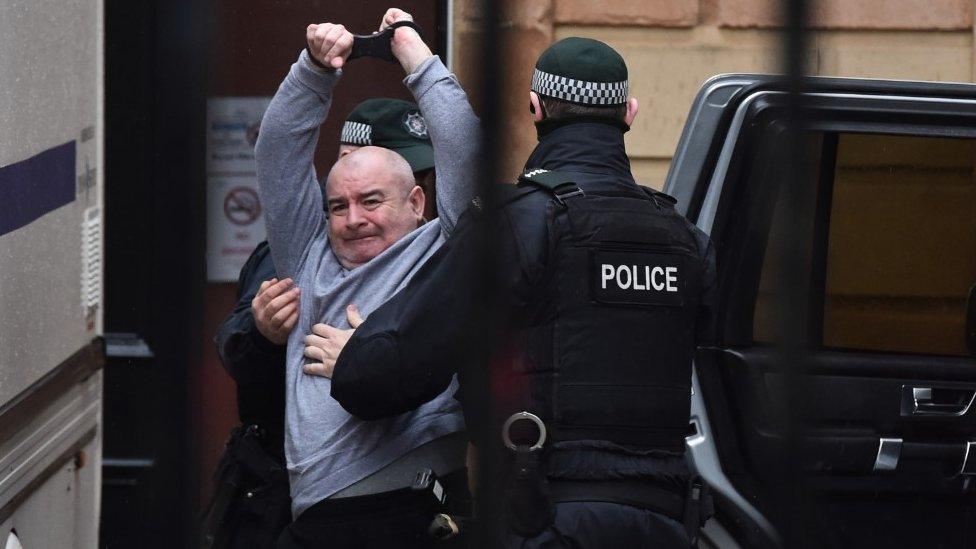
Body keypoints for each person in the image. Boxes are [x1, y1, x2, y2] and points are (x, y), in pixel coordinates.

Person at [330, 37, 717, 547]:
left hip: (546, 517)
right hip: (664, 521)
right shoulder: (687, 240)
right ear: (629, 112)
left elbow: (382, 372)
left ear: (534, 107)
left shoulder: (518, 222)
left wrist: (356, 354)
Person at [254, 9, 480, 549]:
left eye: (372, 201)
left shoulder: (446, 249)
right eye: (338, 205)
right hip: (315, 522)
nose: (353, 219)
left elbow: (465, 144)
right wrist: (314, 69)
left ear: (418, 201)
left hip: (414, 514)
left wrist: (412, 53)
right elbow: (277, 148)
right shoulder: (308, 253)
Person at [202, 97, 440, 549]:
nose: (422, 188)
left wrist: (373, 359)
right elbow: (236, 353)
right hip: (284, 489)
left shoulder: (440, 251)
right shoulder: (299, 247)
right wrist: (263, 333)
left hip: (408, 500)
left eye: (422, 175)